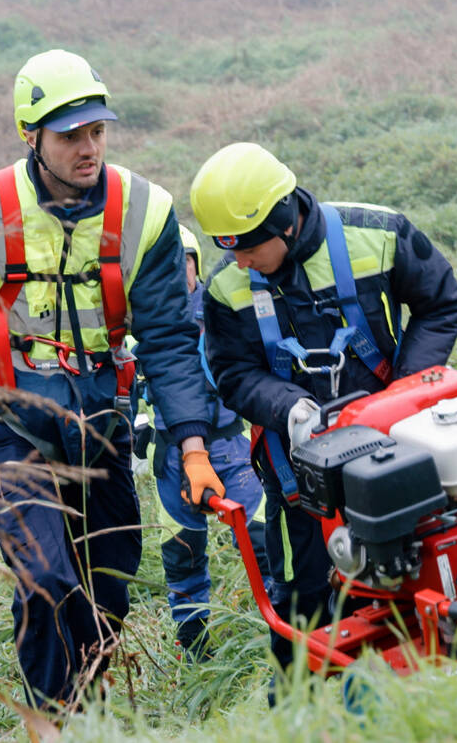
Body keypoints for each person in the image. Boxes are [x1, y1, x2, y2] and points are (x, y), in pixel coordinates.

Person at [0, 49, 224, 710]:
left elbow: (170, 342)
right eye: (70, 136)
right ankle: (48, 718)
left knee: (110, 579)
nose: (88, 148)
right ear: (30, 136)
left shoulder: (144, 212)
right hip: (11, 426)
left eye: (98, 131)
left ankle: (88, 705)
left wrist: (194, 445)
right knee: (45, 578)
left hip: (102, 424)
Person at [190, 142, 457, 677]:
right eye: (228, 248)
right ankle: (305, 708)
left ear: (285, 220)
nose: (239, 261)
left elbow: (443, 302)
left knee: (412, 569)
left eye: (248, 247)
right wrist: (289, 407)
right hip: (300, 479)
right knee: (304, 604)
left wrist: (407, 393)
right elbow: (231, 373)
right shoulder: (228, 288)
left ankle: (422, 687)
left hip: (399, 451)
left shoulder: (380, 234)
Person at [137, 226, 268, 660]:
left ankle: (282, 627)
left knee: (262, 535)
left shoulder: (220, 310)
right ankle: (194, 646)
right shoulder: (143, 324)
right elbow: (130, 381)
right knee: (182, 552)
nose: (178, 274)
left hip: (230, 446)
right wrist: (134, 421)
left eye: (186, 263)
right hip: (171, 455)